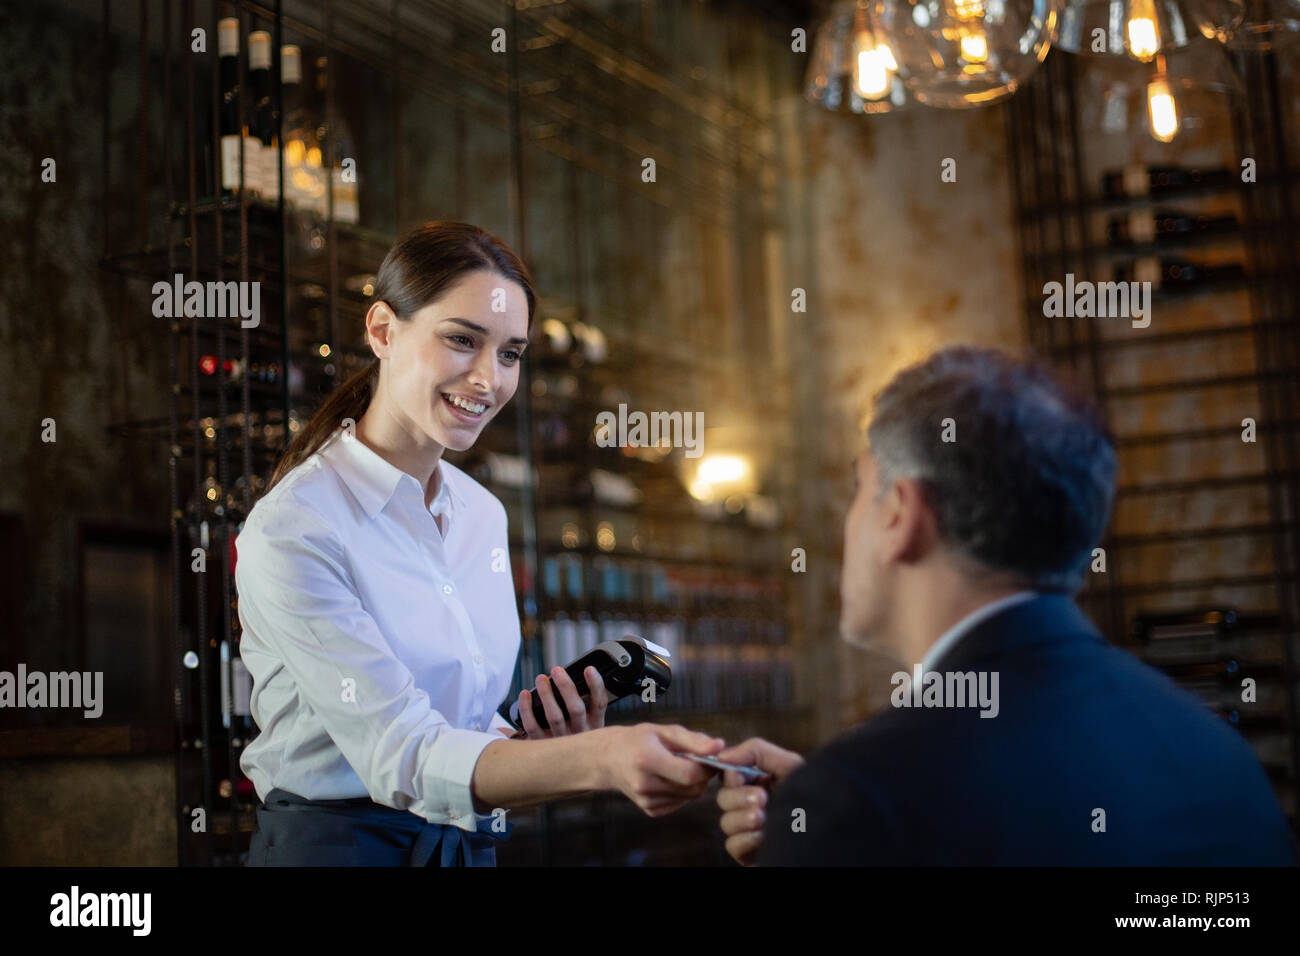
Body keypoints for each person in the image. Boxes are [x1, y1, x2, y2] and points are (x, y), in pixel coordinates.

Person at [236, 221, 723, 866]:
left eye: (510, 354)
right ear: (382, 330)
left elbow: (459, 735)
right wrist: (593, 760)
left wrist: (540, 743)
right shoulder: (296, 526)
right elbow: (403, 754)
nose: (488, 380)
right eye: (462, 340)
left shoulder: (482, 515)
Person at [715, 345, 1297, 866]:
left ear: (899, 512)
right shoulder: (1219, 755)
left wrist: (826, 830)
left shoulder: (859, 803)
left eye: (859, 489)